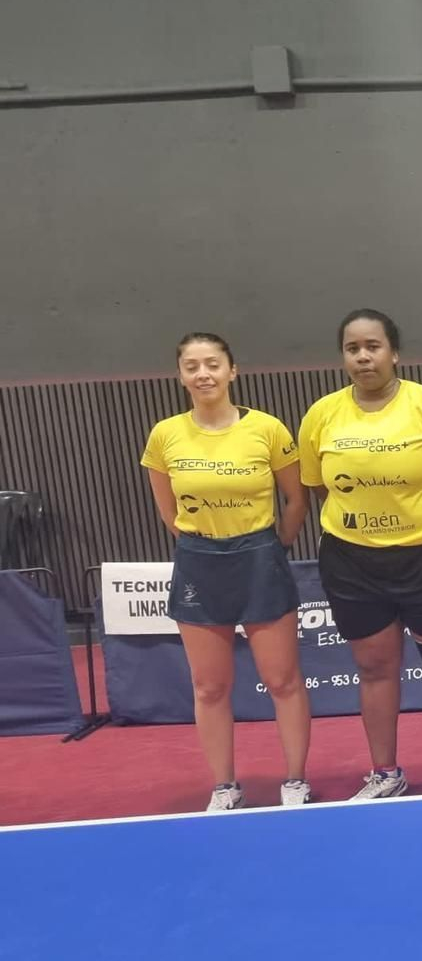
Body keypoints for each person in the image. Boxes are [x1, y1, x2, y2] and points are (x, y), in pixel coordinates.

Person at [299, 309, 422, 797]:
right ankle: (386, 773)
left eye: (373, 346)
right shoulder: (322, 415)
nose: (363, 357)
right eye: (353, 348)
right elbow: (319, 485)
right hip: (354, 561)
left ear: (394, 352)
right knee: (375, 668)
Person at [141, 333, 311, 811]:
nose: (203, 374)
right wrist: (201, 540)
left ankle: (295, 780)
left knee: (283, 680)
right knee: (209, 686)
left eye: (212, 364)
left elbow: (296, 499)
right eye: (192, 366)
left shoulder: (268, 430)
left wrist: (275, 543)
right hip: (198, 560)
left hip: (260, 555)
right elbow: (167, 508)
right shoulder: (165, 435)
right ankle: (224, 786)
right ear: (181, 376)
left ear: (232, 370)